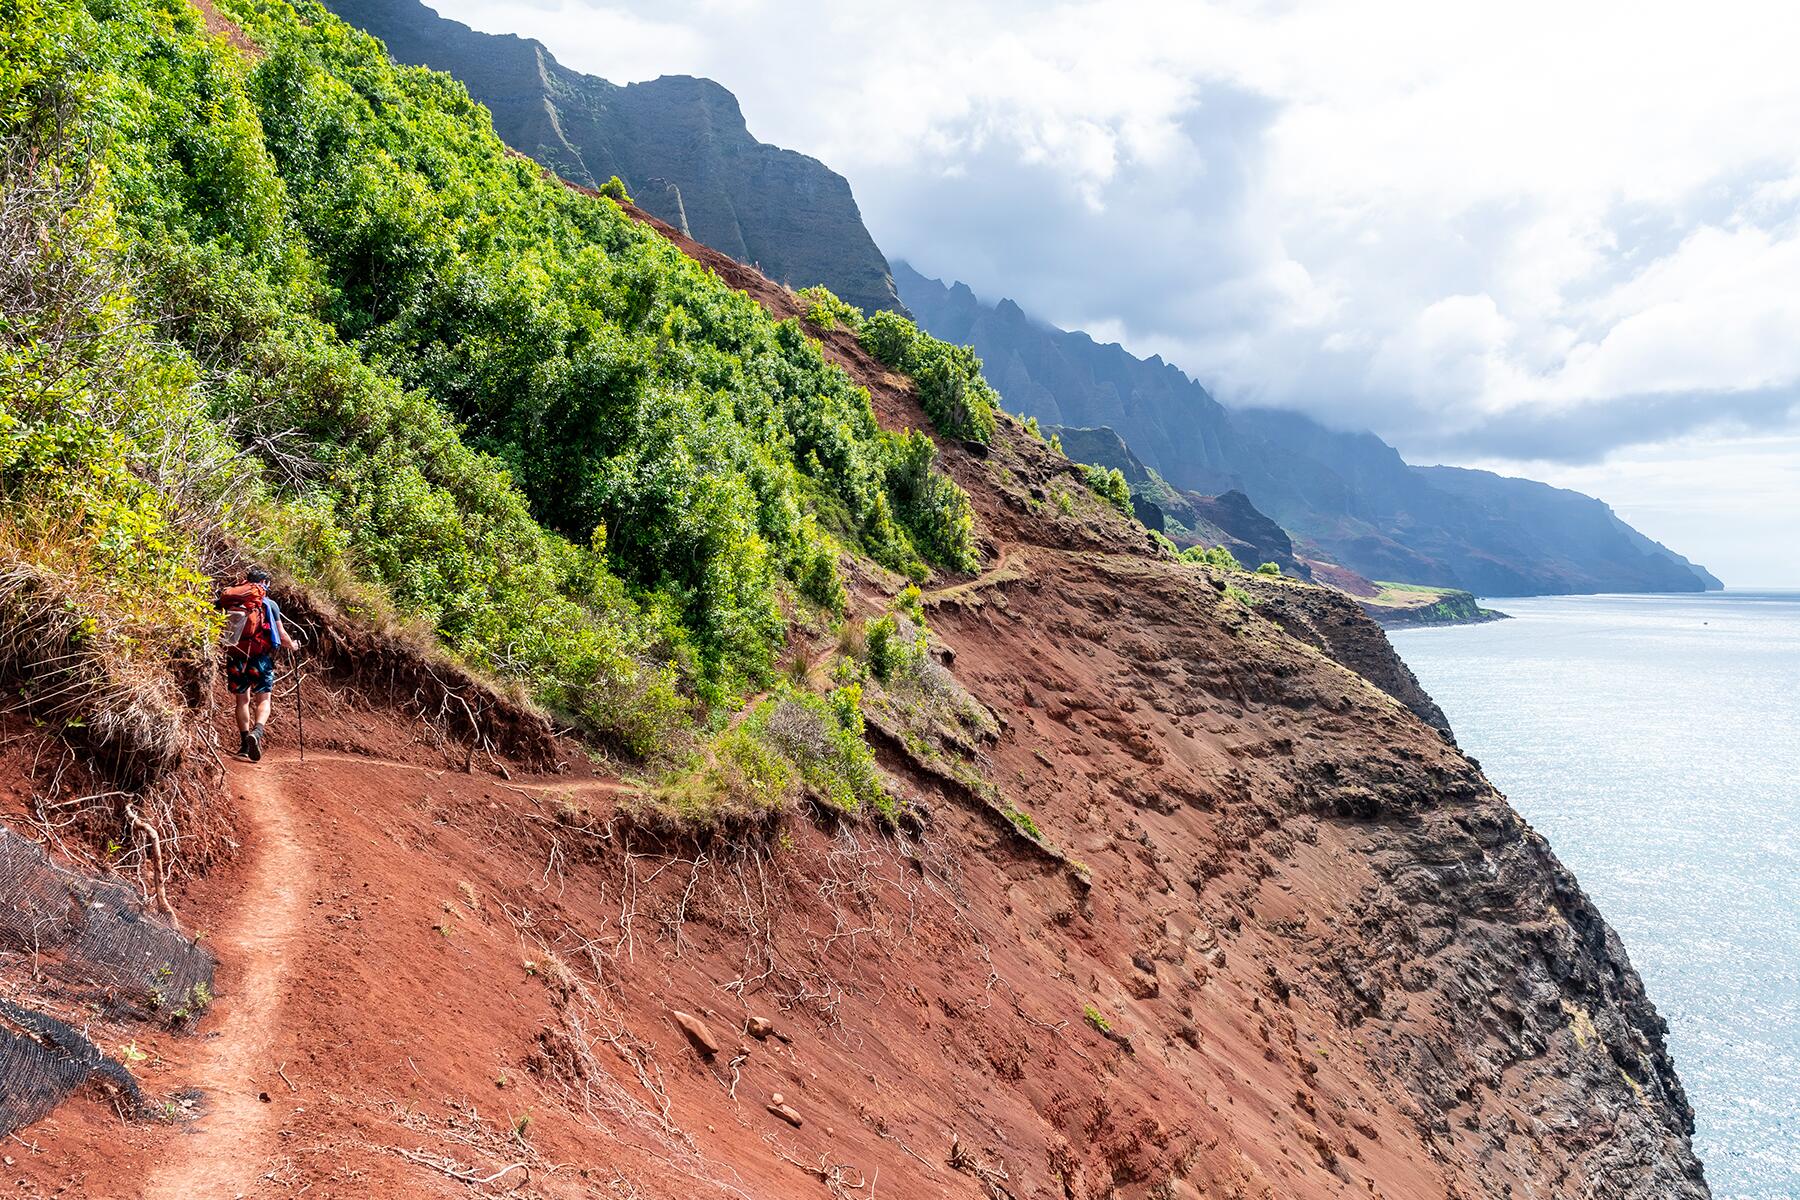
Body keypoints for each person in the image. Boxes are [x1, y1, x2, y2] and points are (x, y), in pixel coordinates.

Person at [216, 567, 301, 761]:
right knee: (263, 699)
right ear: (265, 584)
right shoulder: (269, 604)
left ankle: (245, 744)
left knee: (242, 700)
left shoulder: (233, 601)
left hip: (236, 655)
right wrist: (294, 646)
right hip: (259, 658)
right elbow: (281, 635)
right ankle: (258, 732)